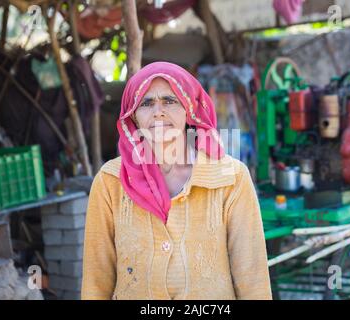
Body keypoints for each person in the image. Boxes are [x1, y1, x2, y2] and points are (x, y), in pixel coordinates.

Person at [81, 62, 271, 300]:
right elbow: (96, 282)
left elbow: (253, 279)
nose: (158, 111)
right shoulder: (110, 181)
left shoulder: (231, 177)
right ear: (134, 116)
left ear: (189, 110)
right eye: (146, 103)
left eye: (169, 101)